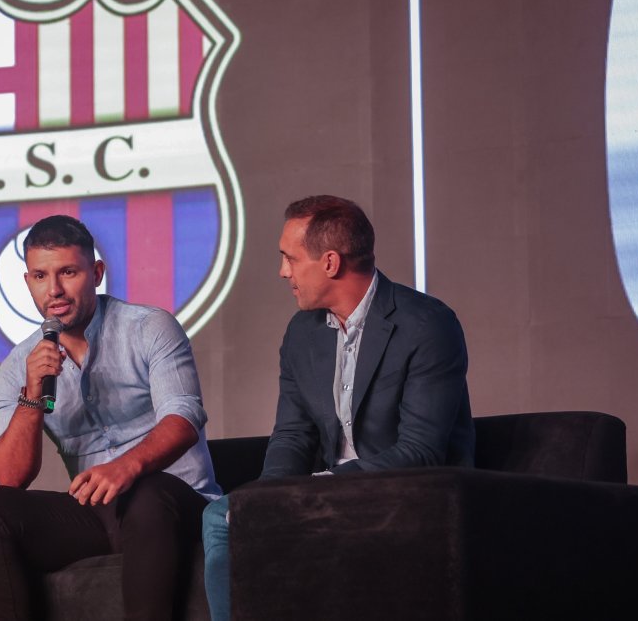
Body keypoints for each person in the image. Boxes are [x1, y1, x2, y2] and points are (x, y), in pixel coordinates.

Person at [202, 195, 475, 621]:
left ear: (330, 262)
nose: (283, 272)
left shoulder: (427, 324)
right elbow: (292, 435)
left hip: (408, 495)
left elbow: (421, 452)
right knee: (224, 517)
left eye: (290, 259)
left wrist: (324, 484)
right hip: (325, 493)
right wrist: (268, 499)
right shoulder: (301, 332)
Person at [0, 215, 221, 621]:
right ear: (28, 283)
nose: (55, 290)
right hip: (97, 512)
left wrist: (126, 467)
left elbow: (183, 418)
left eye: (68, 272)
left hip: (173, 501)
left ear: (95, 273)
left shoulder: (150, 328)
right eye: (41, 276)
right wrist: (32, 396)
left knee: (145, 495)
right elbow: (10, 478)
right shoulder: (19, 365)